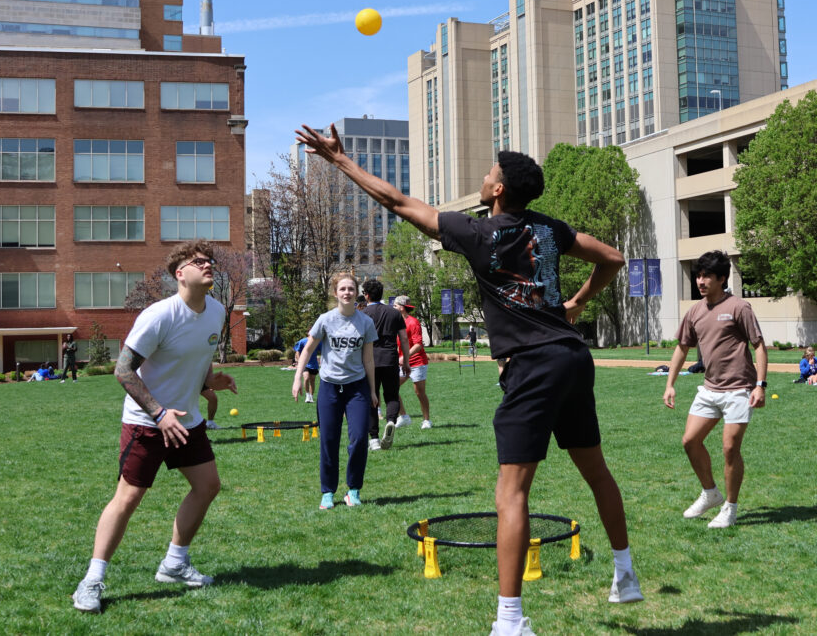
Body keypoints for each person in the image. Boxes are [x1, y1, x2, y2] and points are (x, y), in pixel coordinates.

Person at [296, 124, 642, 635]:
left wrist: (340, 162)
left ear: (498, 190)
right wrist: (575, 304)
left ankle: (510, 621)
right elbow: (612, 258)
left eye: (489, 173)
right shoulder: (549, 230)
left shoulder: (479, 234)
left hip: (532, 364)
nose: (484, 177)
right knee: (596, 472)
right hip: (573, 358)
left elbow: (396, 200)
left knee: (512, 494)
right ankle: (626, 574)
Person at [72, 240, 237, 614]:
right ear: (180, 274)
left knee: (208, 485)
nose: (208, 264)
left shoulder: (216, 312)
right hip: (147, 422)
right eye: (199, 261)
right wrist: (159, 413)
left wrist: (213, 380)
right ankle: (92, 580)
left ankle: (175, 564)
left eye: (210, 260)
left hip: (186, 421)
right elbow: (123, 369)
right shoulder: (159, 315)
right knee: (128, 498)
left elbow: (197, 361)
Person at [663, 250, 767, 530]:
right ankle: (710, 493)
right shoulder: (694, 311)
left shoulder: (739, 307)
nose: (701, 280)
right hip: (709, 389)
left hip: (739, 389)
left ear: (722, 278)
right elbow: (682, 348)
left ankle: (730, 508)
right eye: (698, 275)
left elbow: (758, 345)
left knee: (730, 448)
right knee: (690, 441)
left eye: (707, 275)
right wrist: (670, 383)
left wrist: (760, 385)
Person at [293, 272, 377, 509]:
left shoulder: (365, 322)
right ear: (335, 293)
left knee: (360, 438)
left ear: (356, 292)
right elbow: (308, 350)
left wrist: (372, 391)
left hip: (357, 387)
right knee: (329, 440)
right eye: (342, 289)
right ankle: (328, 492)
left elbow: (369, 359)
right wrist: (297, 378)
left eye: (351, 289)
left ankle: (353, 490)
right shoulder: (325, 320)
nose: (347, 293)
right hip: (330, 387)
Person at [361, 280, 409, 450]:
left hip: (369, 361)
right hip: (390, 359)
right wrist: (407, 362)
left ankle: (373, 439)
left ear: (366, 294)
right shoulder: (394, 313)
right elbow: (404, 338)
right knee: (392, 395)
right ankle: (390, 421)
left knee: (370, 398)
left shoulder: (363, 313)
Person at [394, 296, 432, 429]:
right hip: (402, 363)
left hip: (417, 362)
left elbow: (418, 345)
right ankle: (403, 417)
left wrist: (404, 357)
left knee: (419, 392)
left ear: (402, 308)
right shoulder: (395, 323)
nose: (393, 308)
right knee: (392, 388)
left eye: (395, 306)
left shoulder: (413, 322)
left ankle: (426, 420)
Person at [293, 336, 322, 403]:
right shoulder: (302, 341)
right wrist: (300, 361)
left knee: (312, 380)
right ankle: (307, 395)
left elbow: (323, 350)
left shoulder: (317, 341)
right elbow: (297, 352)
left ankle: (311, 397)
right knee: (306, 378)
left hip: (314, 364)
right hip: (305, 364)